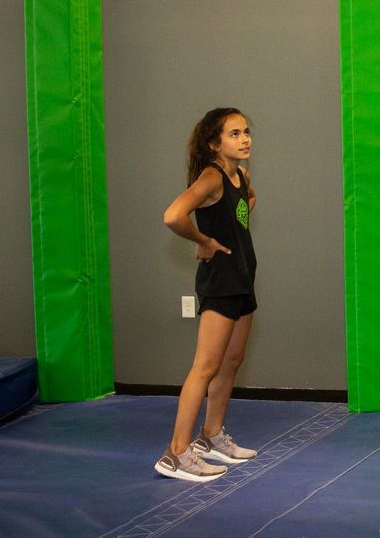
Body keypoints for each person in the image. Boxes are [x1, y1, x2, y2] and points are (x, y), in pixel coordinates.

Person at [156, 107, 263, 482]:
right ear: (214, 143)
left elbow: (247, 203)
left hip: (243, 278)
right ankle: (177, 453)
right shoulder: (211, 177)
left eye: (246, 131)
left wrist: (235, 231)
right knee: (205, 366)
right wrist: (203, 240)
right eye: (234, 134)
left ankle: (212, 436)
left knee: (231, 361)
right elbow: (174, 215)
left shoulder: (240, 176)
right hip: (220, 281)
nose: (244, 139)